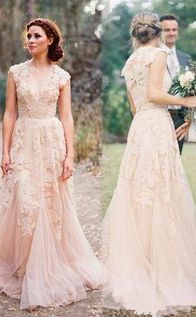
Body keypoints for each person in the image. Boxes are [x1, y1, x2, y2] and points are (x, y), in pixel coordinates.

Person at [0, 18, 105, 310]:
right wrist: (4, 152)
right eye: (28, 36)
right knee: (24, 201)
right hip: (24, 141)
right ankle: (24, 266)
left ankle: (48, 265)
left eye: (37, 35)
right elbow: (9, 115)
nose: (31, 40)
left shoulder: (62, 76)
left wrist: (70, 155)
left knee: (49, 203)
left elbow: (66, 118)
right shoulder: (16, 73)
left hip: (51, 143)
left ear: (50, 39)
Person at [102, 12, 196, 317]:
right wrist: (187, 101)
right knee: (159, 191)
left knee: (139, 192)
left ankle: (141, 260)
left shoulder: (130, 62)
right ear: (156, 33)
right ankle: (159, 266)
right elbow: (156, 94)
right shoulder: (157, 54)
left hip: (140, 126)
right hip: (156, 125)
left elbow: (134, 103)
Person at [160, 14, 192, 154]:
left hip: (180, 120)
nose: (171, 33)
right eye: (167, 30)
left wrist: (189, 119)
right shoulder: (153, 56)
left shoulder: (186, 58)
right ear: (159, 32)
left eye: (174, 29)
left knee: (175, 162)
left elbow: (192, 91)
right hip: (159, 116)